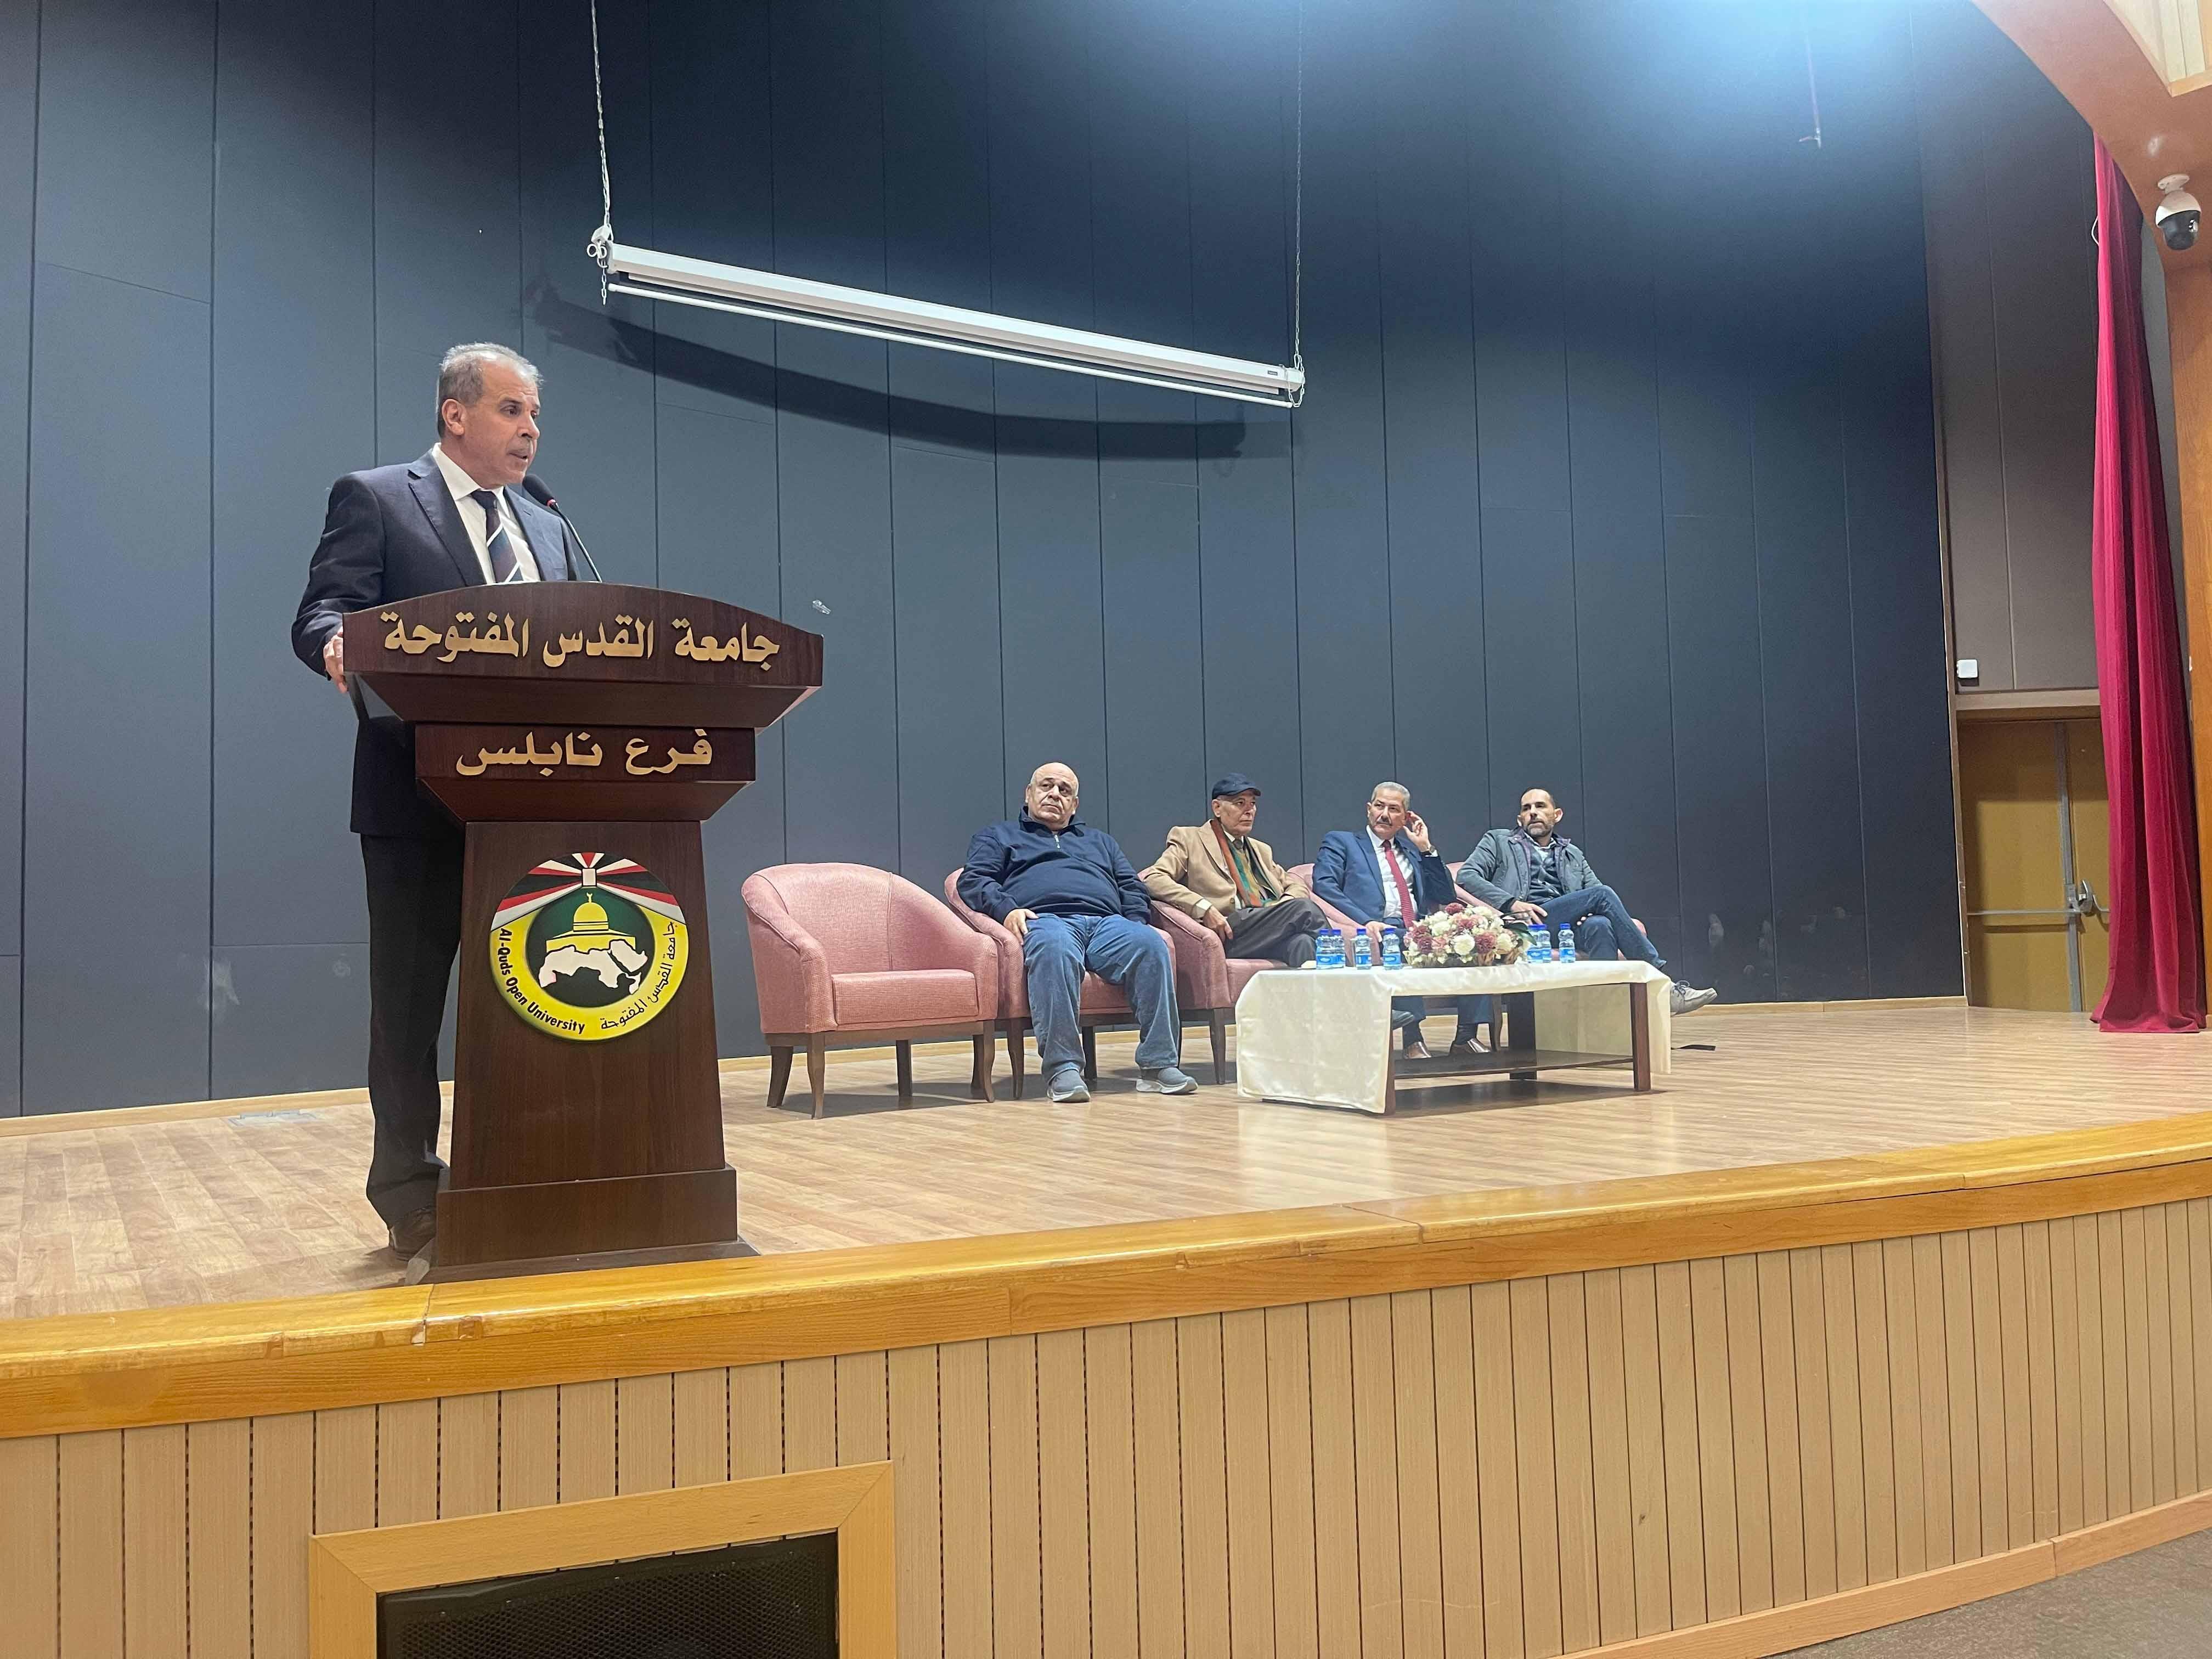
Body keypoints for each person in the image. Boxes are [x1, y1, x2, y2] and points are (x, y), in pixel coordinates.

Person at [291, 343, 586, 1263]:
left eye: (534, 415)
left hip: (539, 800)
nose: (530, 430)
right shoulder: (379, 498)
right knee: (411, 1007)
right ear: (456, 414)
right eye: (510, 410)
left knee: (546, 990)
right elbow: (323, 610)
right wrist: (337, 643)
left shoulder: (546, 523)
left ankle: (530, 1165)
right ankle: (410, 1194)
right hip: (417, 797)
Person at [958, 761, 1198, 1103]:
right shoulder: (998, 836)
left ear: (1075, 804)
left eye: (1065, 790)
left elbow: (1131, 885)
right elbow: (974, 880)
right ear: (1028, 794)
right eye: (1046, 786)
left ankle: (1158, 1066)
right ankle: (1064, 1069)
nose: (1055, 794)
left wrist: (1135, 921)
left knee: (1151, 944)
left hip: (1106, 923)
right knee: (1054, 948)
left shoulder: (1101, 842)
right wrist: (1007, 909)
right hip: (1046, 919)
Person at [1457, 786, 1717, 1016]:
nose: (1533, 813)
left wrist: (1588, 912)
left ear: (1557, 815)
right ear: (1519, 819)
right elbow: (1467, 875)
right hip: (1527, 923)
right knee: (1602, 895)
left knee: (1600, 925)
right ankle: (1664, 984)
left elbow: (1594, 894)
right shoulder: (1499, 841)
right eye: (1526, 809)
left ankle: (1601, 1018)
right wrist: (1511, 903)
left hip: (1564, 926)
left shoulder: (1572, 854)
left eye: (1540, 806)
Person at [1312, 782, 1475, 1059]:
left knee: (1471, 945)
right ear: (1368, 809)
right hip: (1379, 927)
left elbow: (1445, 895)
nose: (1384, 815)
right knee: (1396, 939)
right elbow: (1324, 884)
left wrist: (1426, 849)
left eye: (1394, 809)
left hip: (1419, 928)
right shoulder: (1343, 842)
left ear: (1405, 818)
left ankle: (1466, 1035)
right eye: (1379, 806)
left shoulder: (1411, 851)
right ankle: (1413, 1038)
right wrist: (1366, 922)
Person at [1142, 774, 1328, 966]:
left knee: (1302, 943)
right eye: (1240, 803)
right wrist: (1204, 908)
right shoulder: (1190, 839)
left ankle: (1323, 985)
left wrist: (1284, 905)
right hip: (1229, 930)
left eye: (1253, 804)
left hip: (1265, 926)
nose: (1249, 811)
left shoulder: (1260, 849)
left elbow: (1295, 885)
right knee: (1304, 909)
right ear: (1217, 808)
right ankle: (1349, 978)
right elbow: (1154, 878)